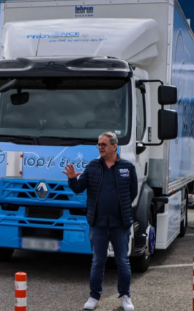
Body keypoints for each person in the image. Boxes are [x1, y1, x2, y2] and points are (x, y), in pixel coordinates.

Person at [64, 131, 138, 311]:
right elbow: (79, 188)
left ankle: (125, 296)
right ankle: (94, 296)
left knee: (122, 261)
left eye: (103, 144)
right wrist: (73, 179)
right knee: (98, 261)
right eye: (98, 144)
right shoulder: (92, 167)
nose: (100, 147)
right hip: (98, 223)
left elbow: (133, 192)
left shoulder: (127, 167)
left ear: (114, 146)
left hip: (120, 224)